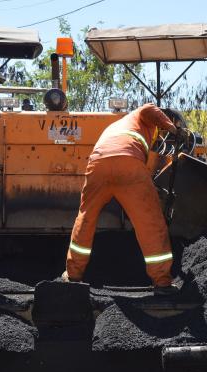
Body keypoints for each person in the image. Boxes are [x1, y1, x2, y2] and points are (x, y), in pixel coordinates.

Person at [64, 103, 180, 296]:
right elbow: (149, 109)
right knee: (150, 222)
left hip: (98, 164)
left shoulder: (121, 125)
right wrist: (173, 128)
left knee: (85, 218)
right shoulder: (145, 114)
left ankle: (73, 275)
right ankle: (162, 282)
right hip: (128, 163)